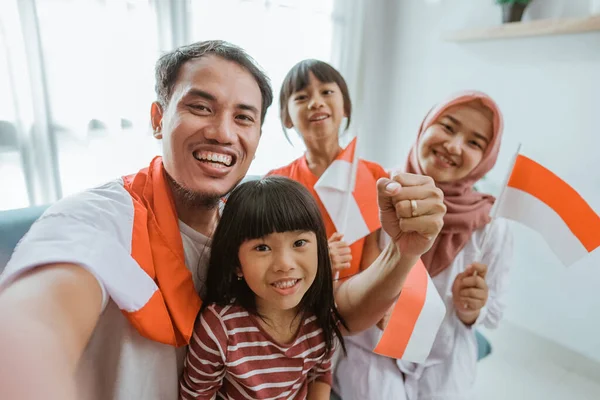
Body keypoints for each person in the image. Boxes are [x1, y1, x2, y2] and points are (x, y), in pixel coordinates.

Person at [0, 40, 445, 400]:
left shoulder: (245, 229)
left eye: (243, 117)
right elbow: (35, 320)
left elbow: (331, 316)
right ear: (158, 119)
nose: (223, 132)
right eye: (200, 107)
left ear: (257, 136)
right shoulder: (104, 216)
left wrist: (404, 253)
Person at [334, 91, 513, 400]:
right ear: (425, 126)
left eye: (474, 143)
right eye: (447, 126)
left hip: (442, 355)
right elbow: (342, 280)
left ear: (486, 158)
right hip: (372, 348)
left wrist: (473, 308)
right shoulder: (378, 187)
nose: (454, 146)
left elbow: (494, 310)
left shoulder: (492, 224)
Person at [180, 176, 347, 399]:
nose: (285, 264)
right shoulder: (220, 328)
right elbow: (196, 395)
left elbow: (320, 374)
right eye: (262, 247)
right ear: (236, 264)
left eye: (299, 243)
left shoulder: (319, 314)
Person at [268, 59, 388, 281]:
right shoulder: (277, 183)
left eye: (326, 92)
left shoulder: (373, 175)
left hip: (358, 300)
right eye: (302, 97)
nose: (316, 102)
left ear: (346, 107)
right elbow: (274, 256)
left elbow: (374, 253)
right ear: (286, 117)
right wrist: (320, 261)